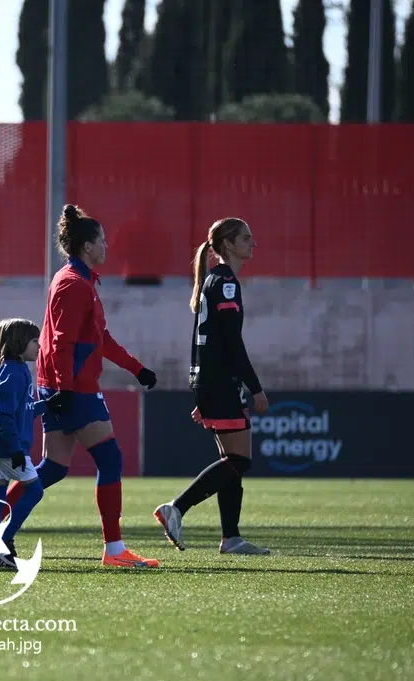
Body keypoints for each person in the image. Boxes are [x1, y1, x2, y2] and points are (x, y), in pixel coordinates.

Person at [0, 204, 160, 568]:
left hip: (66, 385)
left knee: (54, 468)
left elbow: (98, 338)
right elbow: (59, 341)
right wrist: (62, 388)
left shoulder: (81, 281)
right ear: (87, 245)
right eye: (102, 240)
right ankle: (114, 551)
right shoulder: (72, 283)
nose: (107, 246)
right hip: (74, 387)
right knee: (110, 460)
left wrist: (136, 369)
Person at [154, 217, 271, 555]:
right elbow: (232, 343)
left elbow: (210, 340)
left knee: (232, 460)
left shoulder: (213, 281)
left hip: (211, 381)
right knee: (240, 460)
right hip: (220, 381)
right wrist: (255, 387)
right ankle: (176, 507)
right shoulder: (226, 283)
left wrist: (202, 388)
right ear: (228, 245)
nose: (253, 244)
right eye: (246, 238)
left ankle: (231, 538)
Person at [0, 319, 52, 569]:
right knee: (35, 490)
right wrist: (16, 448)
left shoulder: (11, 369)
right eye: (33, 340)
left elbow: (22, 410)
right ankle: (1, 541)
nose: (38, 345)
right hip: (9, 448)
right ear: (19, 344)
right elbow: (4, 414)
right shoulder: (15, 372)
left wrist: (47, 405)